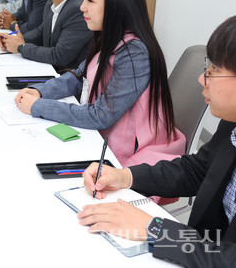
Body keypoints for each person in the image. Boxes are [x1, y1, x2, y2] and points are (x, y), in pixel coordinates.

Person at [78, 16, 236, 267]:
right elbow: (198, 170)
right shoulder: (232, 121)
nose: (202, 79)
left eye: (214, 70)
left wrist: (155, 229)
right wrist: (125, 176)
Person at [15, 0, 185, 168]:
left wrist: (38, 106)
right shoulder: (109, 37)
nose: (82, 7)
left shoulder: (133, 53)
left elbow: (100, 116)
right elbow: (79, 76)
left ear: (115, 4)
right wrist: (39, 92)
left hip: (127, 158)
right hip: (101, 138)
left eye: (90, 0)